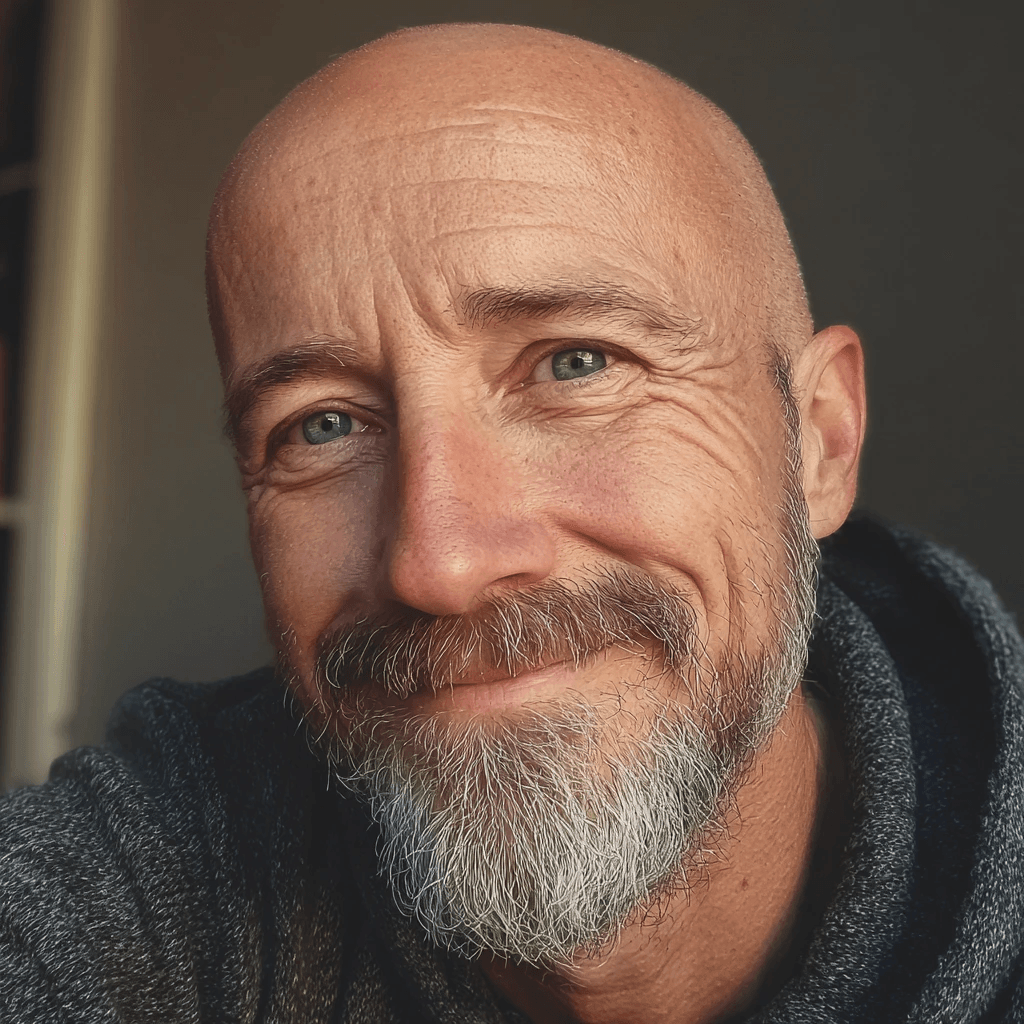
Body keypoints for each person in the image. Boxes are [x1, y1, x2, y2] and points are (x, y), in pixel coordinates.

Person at [2, 22, 1023, 1024]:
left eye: (575, 364)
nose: (438, 564)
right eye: (322, 425)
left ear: (821, 440)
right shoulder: (167, 859)